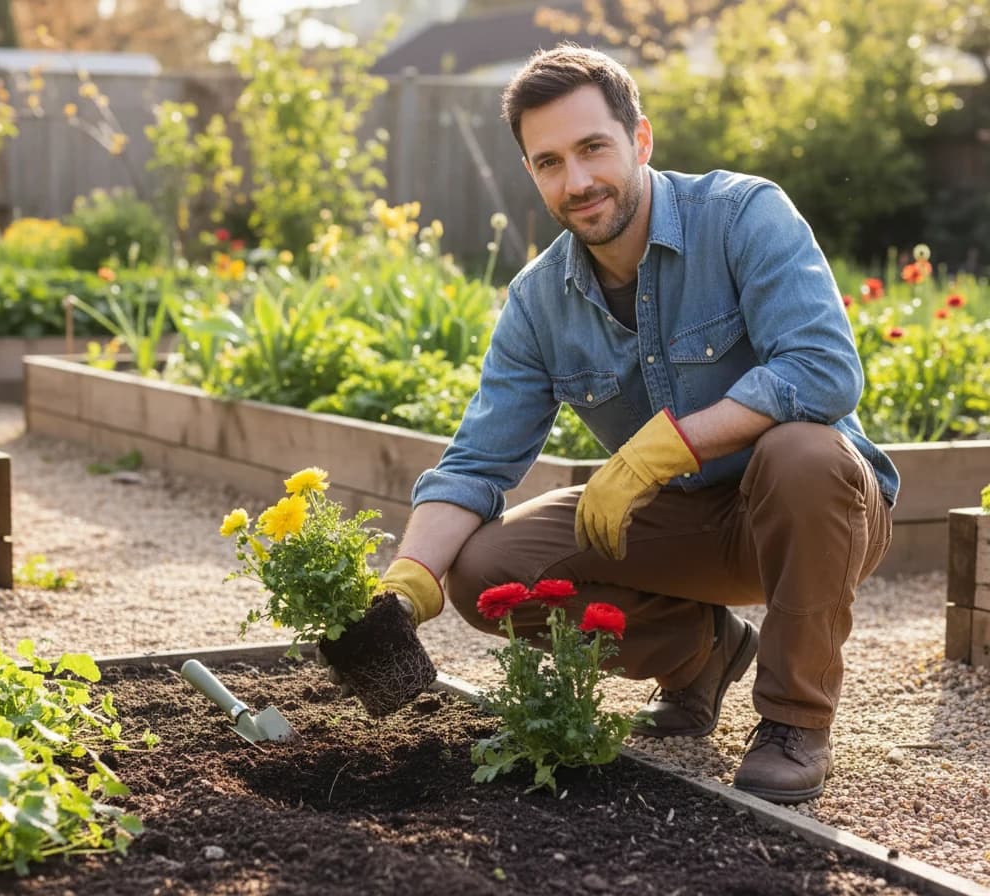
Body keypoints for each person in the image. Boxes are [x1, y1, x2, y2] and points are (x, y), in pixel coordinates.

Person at [364, 44, 898, 806]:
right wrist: (406, 585)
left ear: (639, 140)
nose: (576, 182)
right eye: (549, 162)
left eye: (593, 149)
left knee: (801, 451)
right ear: (531, 173)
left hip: (815, 513)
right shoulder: (539, 300)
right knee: (485, 571)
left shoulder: (742, 215)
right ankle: (700, 657)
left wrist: (662, 448)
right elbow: (477, 463)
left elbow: (822, 370)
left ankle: (793, 722)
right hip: (685, 525)